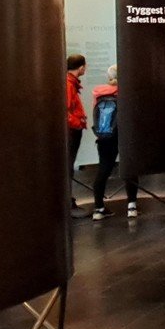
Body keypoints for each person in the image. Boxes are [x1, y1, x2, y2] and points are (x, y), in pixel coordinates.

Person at [90, 65, 139, 219]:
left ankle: (98, 208)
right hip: (123, 135)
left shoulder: (98, 93)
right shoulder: (124, 92)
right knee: (130, 168)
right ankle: (131, 206)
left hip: (104, 136)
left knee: (103, 169)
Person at [66, 52, 87, 215]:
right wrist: (77, 123)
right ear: (81, 67)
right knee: (68, 164)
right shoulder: (68, 84)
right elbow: (66, 109)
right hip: (72, 130)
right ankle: (68, 203)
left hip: (73, 129)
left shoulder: (71, 83)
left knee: (69, 164)